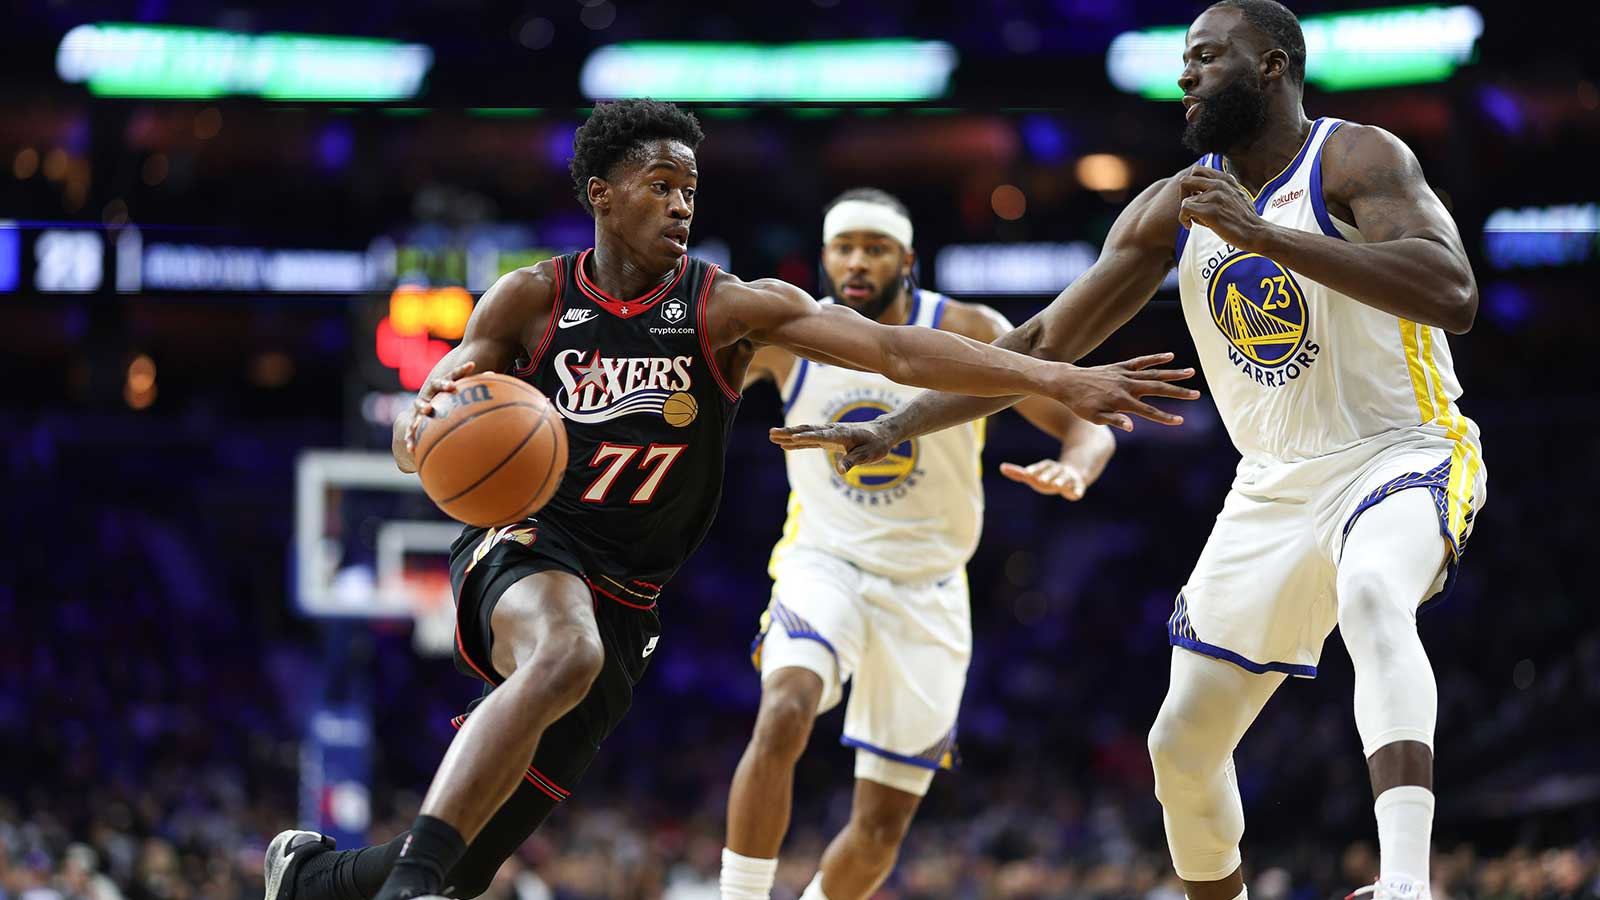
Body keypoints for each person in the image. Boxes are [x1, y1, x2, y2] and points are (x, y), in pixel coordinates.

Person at [263, 98, 1196, 900]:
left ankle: (313, 879)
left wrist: (1059, 383)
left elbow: (899, 353)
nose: (680, 202)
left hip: (633, 596)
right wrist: (420, 432)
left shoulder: (727, 308)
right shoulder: (530, 300)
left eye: (690, 190)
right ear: (600, 193)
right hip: (530, 544)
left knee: (484, 851)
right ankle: (416, 888)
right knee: (562, 652)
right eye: (660, 184)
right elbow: (431, 413)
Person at [771, 4, 1487, 900]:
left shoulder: (1357, 157)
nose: (1185, 77)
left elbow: (1452, 290)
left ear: (1272, 66)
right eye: (1182, 60)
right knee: (1179, 749)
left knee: (1375, 593)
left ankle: (1408, 883)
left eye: (1206, 58)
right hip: (1271, 488)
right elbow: (1037, 343)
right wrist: (893, 426)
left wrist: (1267, 237)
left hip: (1400, 450)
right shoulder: (1172, 206)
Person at [720, 188, 1117, 900]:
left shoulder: (967, 327)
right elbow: (688, 385)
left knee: (880, 830)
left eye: (874, 249)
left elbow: (1086, 421)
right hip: (825, 562)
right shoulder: (788, 341)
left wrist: (1076, 467)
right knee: (784, 706)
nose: (857, 263)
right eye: (844, 248)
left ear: (907, 259)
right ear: (824, 259)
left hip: (929, 588)